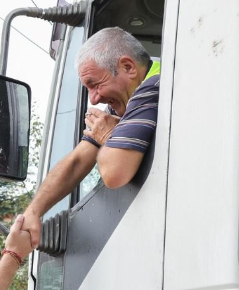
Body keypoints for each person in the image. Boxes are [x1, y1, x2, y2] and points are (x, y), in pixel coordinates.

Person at [22, 27, 160, 248]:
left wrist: (107, 136)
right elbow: (78, 160)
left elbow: (115, 173)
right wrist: (33, 212)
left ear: (128, 67)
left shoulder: (154, 87)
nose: (94, 100)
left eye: (95, 85)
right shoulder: (123, 101)